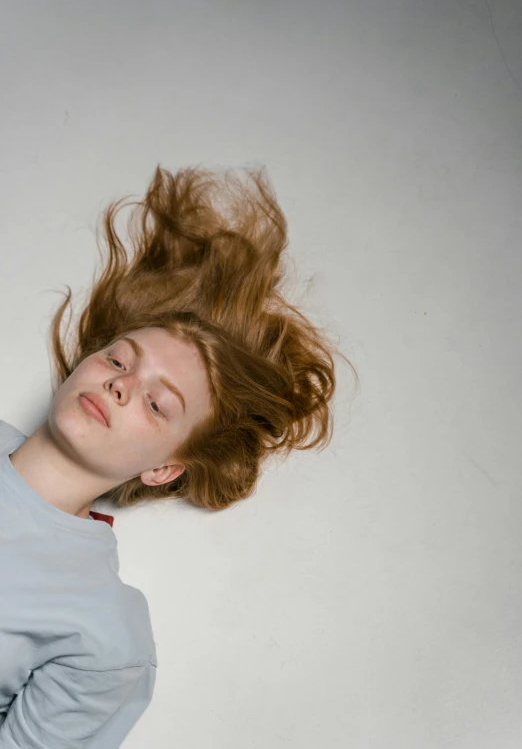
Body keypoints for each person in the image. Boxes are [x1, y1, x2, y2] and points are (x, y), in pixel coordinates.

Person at [0, 164, 358, 747]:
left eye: (158, 403)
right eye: (119, 360)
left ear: (164, 468)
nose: (121, 384)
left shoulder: (103, 634)